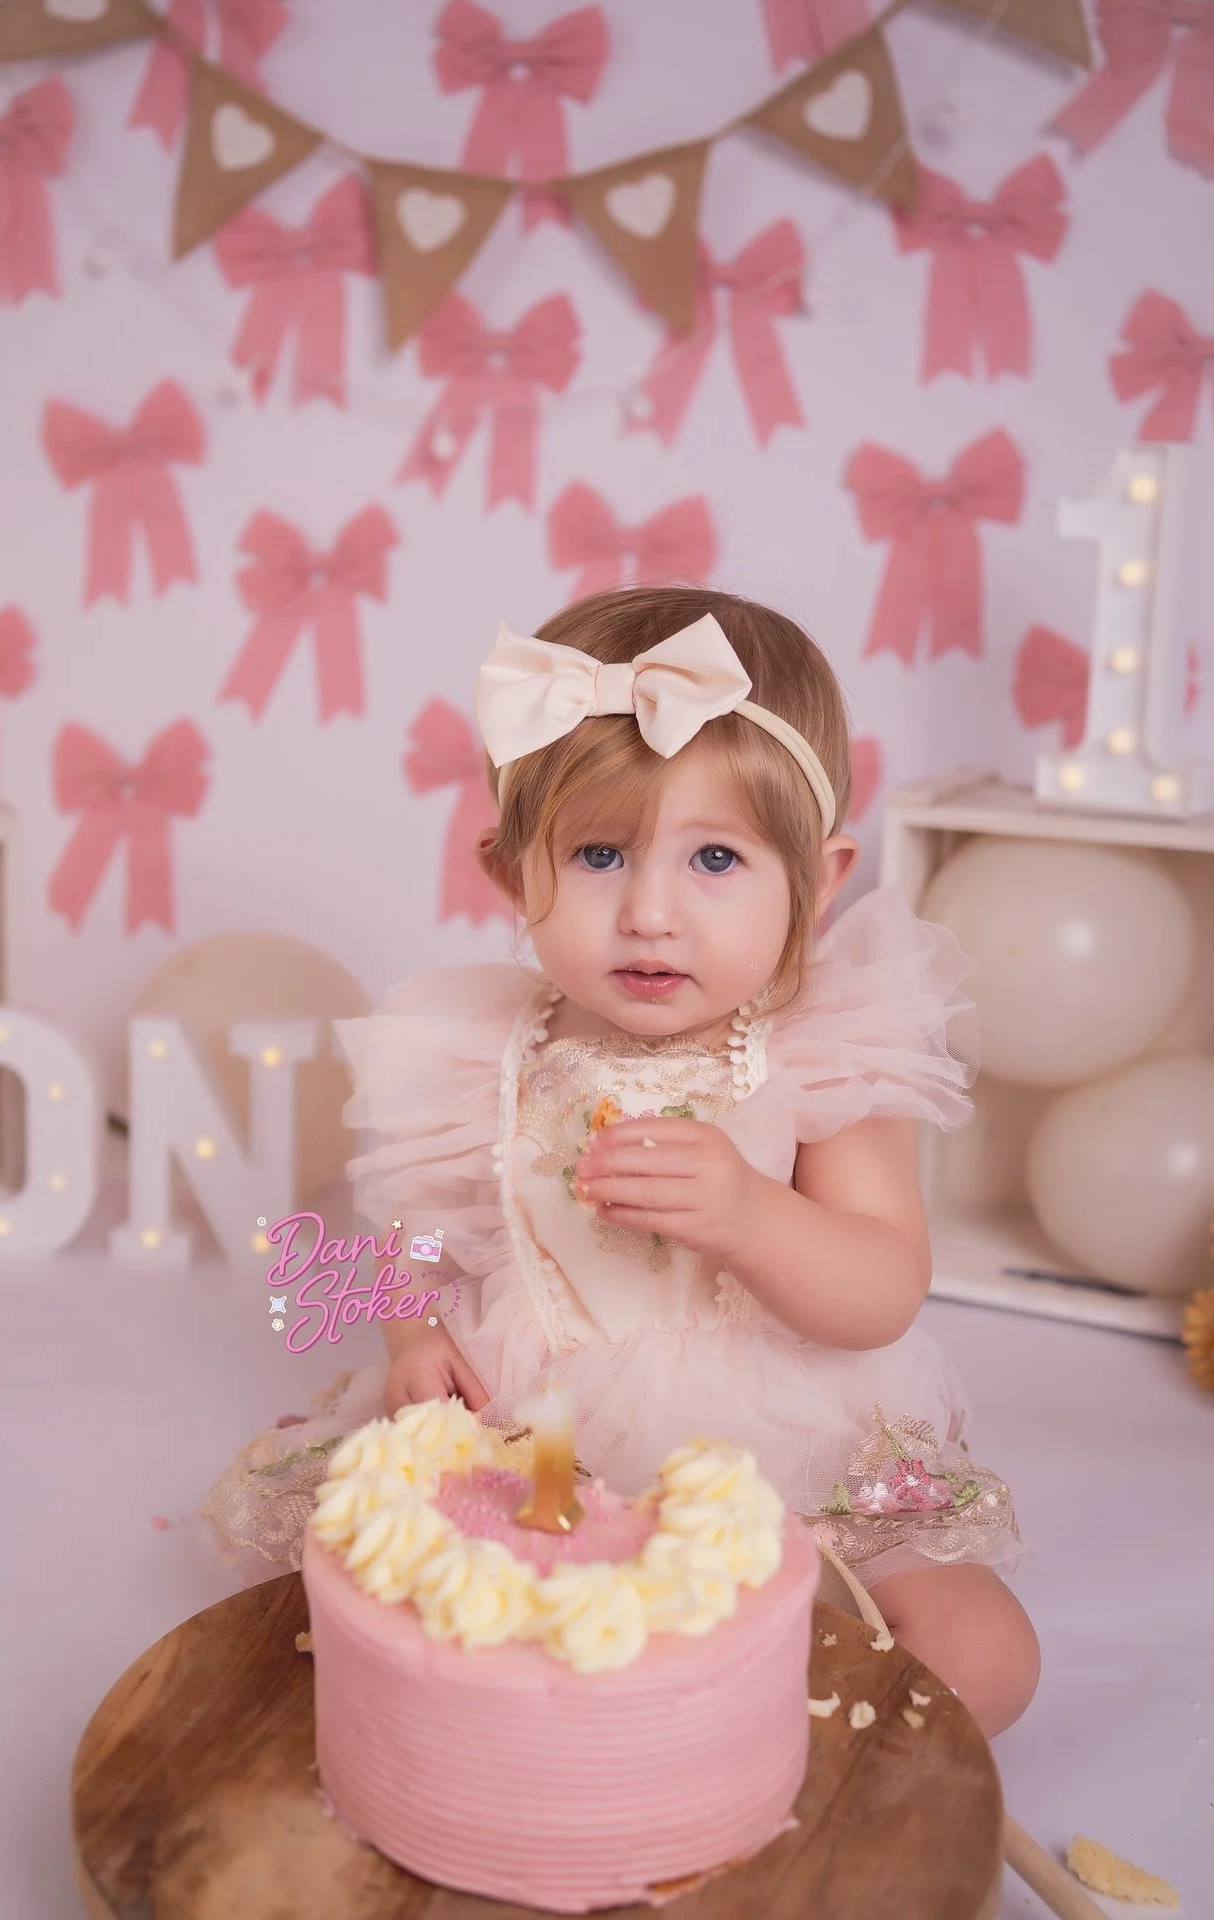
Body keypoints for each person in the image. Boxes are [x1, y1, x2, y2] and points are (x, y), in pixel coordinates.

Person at [204, 585, 1039, 1737]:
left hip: (775, 1440)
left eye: (715, 859)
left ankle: (737, 1724)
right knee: (333, 1610)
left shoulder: (822, 1054)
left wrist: (753, 1216)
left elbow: (883, 1289)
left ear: (819, 878)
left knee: (980, 1658)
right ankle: (602, 1717)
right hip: (537, 1437)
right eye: (599, 853)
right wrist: (411, 1338)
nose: (650, 912)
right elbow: (410, 1234)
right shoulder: (475, 1049)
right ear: (513, 873)